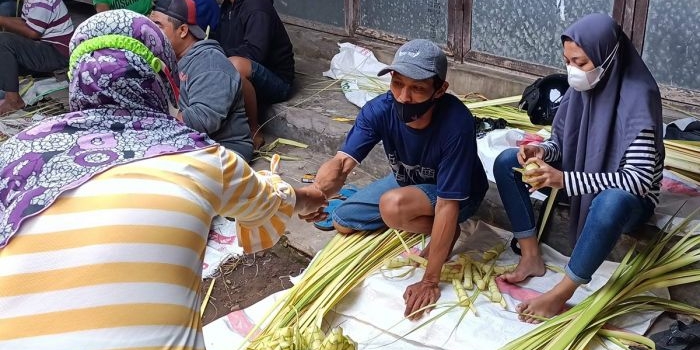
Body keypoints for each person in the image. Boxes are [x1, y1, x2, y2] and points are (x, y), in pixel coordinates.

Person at [0, 10, 326, 347]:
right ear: (161, 78)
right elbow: (271, 202)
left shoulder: (16, 156)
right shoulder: (199, 160)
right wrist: (311, 195)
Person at [493, 13, 664, 323]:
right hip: (579, 176)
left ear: (608, 56)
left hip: (627, 202)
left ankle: (562, 292)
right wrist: (541, 150)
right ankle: (531, 256)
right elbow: (563, 142)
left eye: (581, 63)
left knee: (610, 200)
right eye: (567, 61)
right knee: (507, 162)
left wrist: (565, 180)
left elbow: (637, 180)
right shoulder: (582, 87)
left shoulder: (639, 97)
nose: (573, 71)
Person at [309, 39, 489, 321]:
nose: (404, 97)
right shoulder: (379, 110)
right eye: (398, 84)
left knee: (392, 206)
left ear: (440, 90)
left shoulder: (456, 123)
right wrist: (316, 194)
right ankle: (424, 222)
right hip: (410, 183)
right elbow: (342, 164)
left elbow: (447, 204)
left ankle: (444, 231)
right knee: (342, 220)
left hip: (457, 195)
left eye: (417, 88)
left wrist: (430, 279)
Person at [151, 0, 254, 162]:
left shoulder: (210, 63)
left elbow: (203, 120)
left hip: (223, 150)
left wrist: (149, 122)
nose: (151, 33)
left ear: (183, 30)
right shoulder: (169, 59)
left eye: (158, 26)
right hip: (189, 144)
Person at [216, 0, 295, 149]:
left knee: (236, 66)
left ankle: (253, 130)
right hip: (241, 70)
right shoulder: (228, 6)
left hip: (276, 81)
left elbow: (255, 54)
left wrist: (217, 56)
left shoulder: (257, 7)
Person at [0, 0, 73, 114]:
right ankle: (7, 89)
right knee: (5, 56)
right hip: (46, 48)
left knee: (2, 41)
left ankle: (13, 101)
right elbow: (25, 22)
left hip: (57, 54)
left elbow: (32, 32)